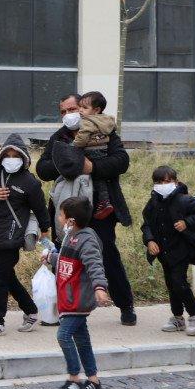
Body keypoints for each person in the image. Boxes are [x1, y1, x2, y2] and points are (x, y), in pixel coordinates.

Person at [36, 92, 138, 326]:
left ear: (86, 108)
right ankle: (63, 309)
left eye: (73, 109)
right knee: (63, 259)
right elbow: (42, 169)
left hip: (101, 208)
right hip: (69, 209)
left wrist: (93, 167)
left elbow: (121, 161)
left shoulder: (105, 131)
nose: (69, 114)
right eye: (63, 111)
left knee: (107, 255)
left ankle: (125, 305)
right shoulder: (59, 137)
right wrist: (67, 165)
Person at [0, 133, 52, 336]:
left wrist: (44, 232)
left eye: (15, 154)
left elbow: (41, 208)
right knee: (7, 276)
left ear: (24, 157)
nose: (11, 158)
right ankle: (30, 310)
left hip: (13, 236)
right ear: (1, 156)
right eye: (7, 154)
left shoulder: (30, 182)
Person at [42, 196, 111, 389]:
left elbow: (94, 264)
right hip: (68, 298)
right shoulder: (71, 236)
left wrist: (99, 288)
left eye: (61, 215)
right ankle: (93, 380)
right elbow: (67, 260)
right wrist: (50, 258)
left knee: (63, 336)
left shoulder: (87, 239)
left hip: (78, 299)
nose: (59, 219)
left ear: (71, 220)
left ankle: (74, 379)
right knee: (82, 339)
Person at [141, 165, 195, 337]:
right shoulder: (153, 202)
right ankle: (177, 317)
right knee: (171, 284)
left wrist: (187, 223)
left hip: (181, 249)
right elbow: (146, 225)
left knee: (178, 282)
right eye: (159, 182)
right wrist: (150, 240)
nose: (163, 185)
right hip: (163, 252)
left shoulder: (185, 200)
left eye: (167, 181)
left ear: (175, 181)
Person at [72, 92, 117, 220]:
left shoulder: (87, 121)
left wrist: (74, 145)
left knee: (94, 178)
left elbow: (82, 138)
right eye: (80, 107)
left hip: (91, 151)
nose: (80, 110)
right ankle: (105, 201)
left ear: (96, 110)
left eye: (84, 108)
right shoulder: (107, 120)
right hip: (103, 150)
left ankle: (102, 203)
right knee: (100, 178)